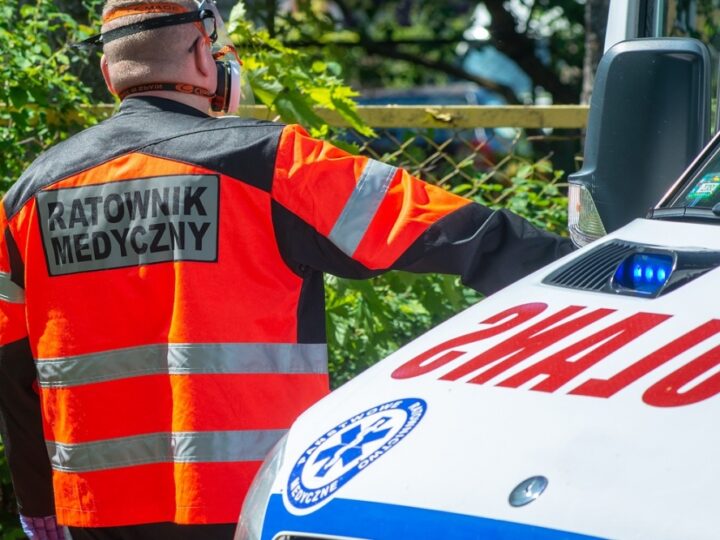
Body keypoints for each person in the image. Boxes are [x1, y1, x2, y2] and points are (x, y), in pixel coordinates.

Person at [0, 0, 574, 538]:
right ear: (205, 56)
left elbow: (11, 367)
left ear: (108, 72)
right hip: (255, 498)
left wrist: (35, 500)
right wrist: (597, 273)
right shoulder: (272, 162)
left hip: (96, 508)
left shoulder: (28, 197)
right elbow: (459, 232)